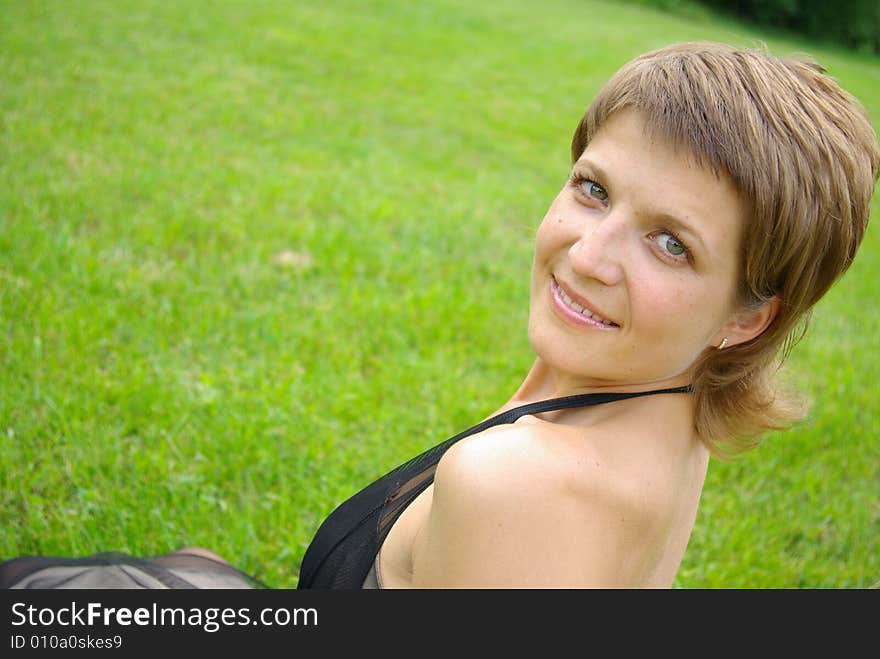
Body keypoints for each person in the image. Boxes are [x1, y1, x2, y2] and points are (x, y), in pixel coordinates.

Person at [2, 41, 878, 589]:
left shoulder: (521, 484)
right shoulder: (667, 403)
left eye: (671, 244)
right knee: (179, 573)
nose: (587, 254)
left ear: (748, 316)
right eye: (594, 189)